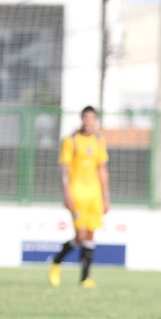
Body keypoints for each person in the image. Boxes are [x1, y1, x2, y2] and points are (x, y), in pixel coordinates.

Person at [48, 106, 110, 289]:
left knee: (90, 235)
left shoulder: (99, 140)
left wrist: (106, 197)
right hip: (77, 193)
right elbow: (64, 169)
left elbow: (102, 169)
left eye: (92, 118)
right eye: (86, 118)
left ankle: (85, 278)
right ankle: (56, 261)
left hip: (94, 194)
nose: (89, 121)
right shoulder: (71, 140)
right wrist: (66, 193)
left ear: (96, 120)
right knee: (81, 236)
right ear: (81, 119)